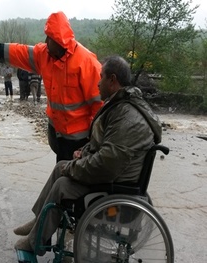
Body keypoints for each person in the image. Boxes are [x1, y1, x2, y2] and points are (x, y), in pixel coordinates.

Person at [12, 55, 163, 255]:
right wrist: (84, 151)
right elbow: (105, 145)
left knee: (62, 185)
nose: (97, 82)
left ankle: (35, 242)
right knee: (60, 167)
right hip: (115, 176)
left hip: (116, 186)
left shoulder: (128, 117)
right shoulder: (121, 107)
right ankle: (38, 222)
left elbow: (107, 164)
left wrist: (73, 167)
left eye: (101, 77)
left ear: (113, 80)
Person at [0, 11, 103, 162]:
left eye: (49, 38)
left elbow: (99, 105)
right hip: (57, 134)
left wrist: (93, 141)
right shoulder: (45, 54)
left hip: (79, 141)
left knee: (71, 181)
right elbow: (22, 52)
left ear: (59, 41)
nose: (45, 41)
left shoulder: (86, 62)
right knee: (61, 173)